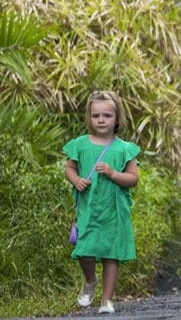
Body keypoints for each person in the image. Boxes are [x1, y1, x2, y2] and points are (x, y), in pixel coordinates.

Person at [64, 91, 140, 314]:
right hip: (89, 207)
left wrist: (112, 173)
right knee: (84, 249)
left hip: (114, 209)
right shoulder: (80, 145)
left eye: (107, 115)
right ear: (89, 117)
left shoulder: (125, 149)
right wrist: (76, 180)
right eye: (96, 115)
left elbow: (133, 179)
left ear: (117, 118)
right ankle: (90, 280)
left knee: (110, 253)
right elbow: (69, 168)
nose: (101, 120)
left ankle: (107, 300)